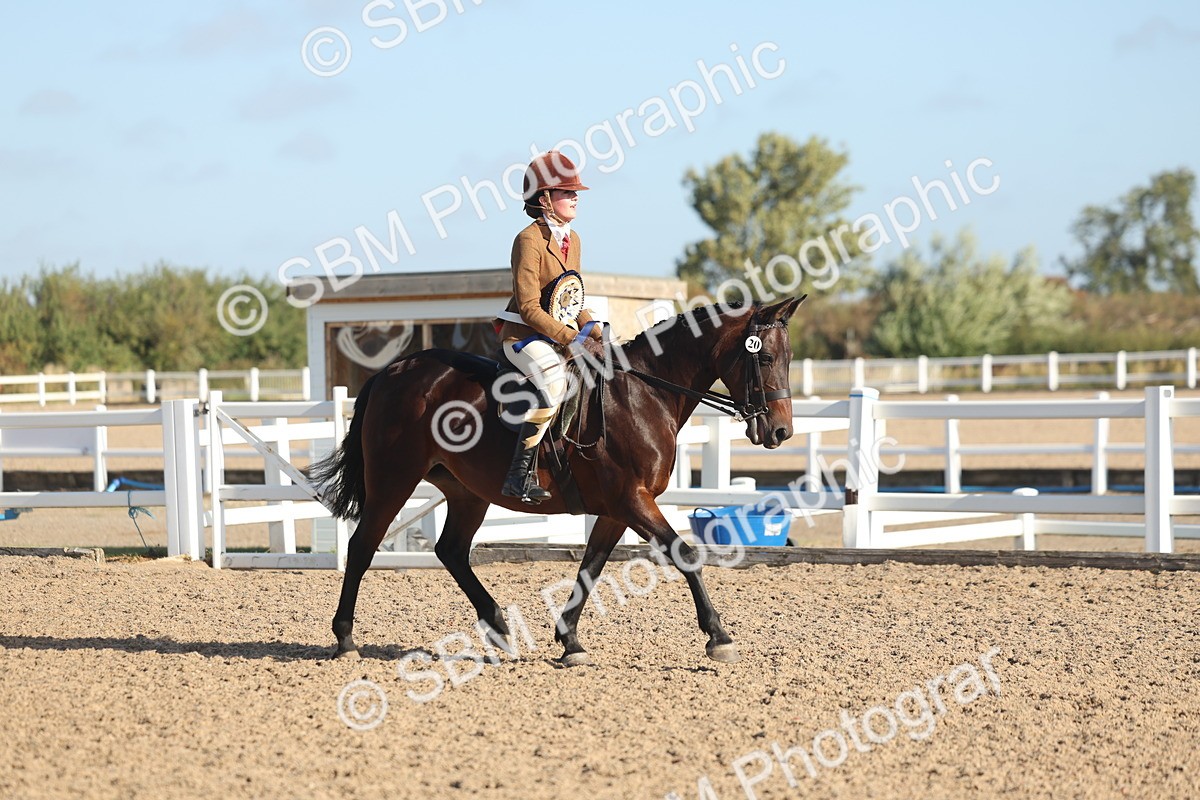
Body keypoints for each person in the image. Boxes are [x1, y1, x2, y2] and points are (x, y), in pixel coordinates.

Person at [494, 150, 604, 504]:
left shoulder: (575, 239)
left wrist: (595, 330)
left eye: (575, 192)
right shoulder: (528, 240)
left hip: (559, 335)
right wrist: (572, 338)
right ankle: (518, 474)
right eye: (567, 192)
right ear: (544, 199)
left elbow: (572, 297)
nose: (575, 197)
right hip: (524, 338)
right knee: (556, 381)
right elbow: (528, 307)